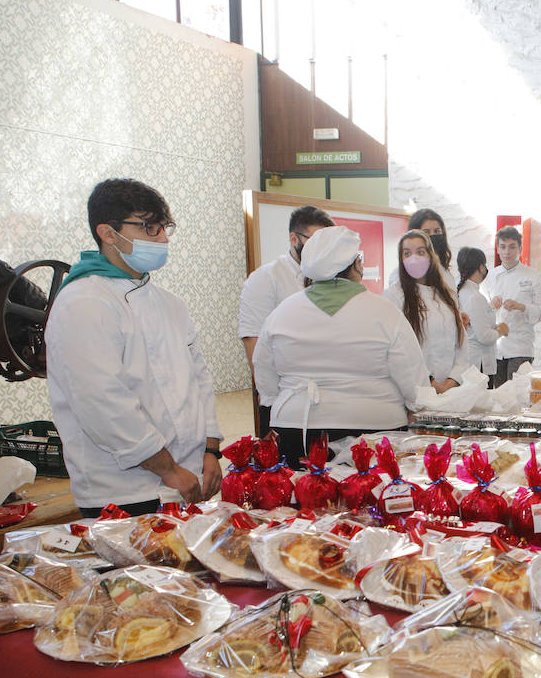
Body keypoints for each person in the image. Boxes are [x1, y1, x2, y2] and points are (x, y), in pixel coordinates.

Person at [46, 178, 221, 517]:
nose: (163, 239)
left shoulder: (170, 304)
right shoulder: (84, 301)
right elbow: (103, 403)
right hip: (123, 492)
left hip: (187, 479)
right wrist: (168, 469)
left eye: (163, 228)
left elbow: (200, 380)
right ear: (108, 233)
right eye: (150, 228)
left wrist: (210, 450)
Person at [253, 226, 428, 467]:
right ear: (357, 264)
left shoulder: (281, 313)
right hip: (374, 429)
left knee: (302, 500)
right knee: (370, 498)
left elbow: (265, 379)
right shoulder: (385, 312)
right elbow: (414, 382)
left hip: (297, 429)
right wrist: (415, 408)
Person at [238, 205, 334, 433]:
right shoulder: (266, 277)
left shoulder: (329, 277)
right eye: (315, 241)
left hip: (326, 393)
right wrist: (268, 393)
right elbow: (253, 339)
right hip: (282, 393)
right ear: (294, 239)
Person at [382, 230, 474, 391]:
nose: (414, 258)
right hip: (414, 391)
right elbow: (398, 351)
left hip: (451, 391)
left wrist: (452, 381)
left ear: (431, 256)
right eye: (407, 253)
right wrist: (431, 384)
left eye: (420, 252)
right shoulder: (394, 296)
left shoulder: (447, 295)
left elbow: (461, 345)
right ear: (401, 260)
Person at [484, 225, 541, 387]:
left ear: (520, 248)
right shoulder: (490, 276)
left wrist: (522, 307)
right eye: (503, 247)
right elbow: (481, 311)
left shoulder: (533, 275)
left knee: (518, 397)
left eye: (512, 247)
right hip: (495, 350)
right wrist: (490, 305)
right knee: (498, 399)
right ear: (497, 249)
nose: (507, 252)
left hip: (521, 348)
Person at [456, 246, 508, 375]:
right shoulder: (475, 297)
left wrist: (490, 309)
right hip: (479, 364)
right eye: (484, 265)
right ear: (480, 267)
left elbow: (475, 324)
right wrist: (501, 331)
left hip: (469, 362)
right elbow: (484, 337)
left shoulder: (462, 292)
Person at [408, 207, 453, 274]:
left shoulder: (443, 269)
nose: (432, 235)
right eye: (426, 232)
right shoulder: (403, 274)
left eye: (437, 231)